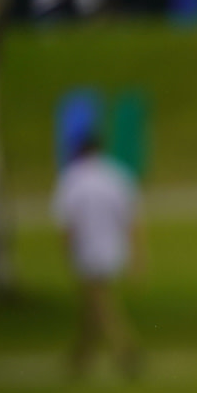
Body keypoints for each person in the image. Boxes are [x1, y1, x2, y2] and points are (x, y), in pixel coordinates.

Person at [51, 133, 144, 379]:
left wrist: (67, 252)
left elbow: (67, 224)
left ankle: (125, 348)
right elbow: (131, 219)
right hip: (114, 249)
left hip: (87, 250)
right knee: (92, 305)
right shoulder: (115, 177)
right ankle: (80, 358)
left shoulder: (73, 179)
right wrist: (137, 255)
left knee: (101, 303)